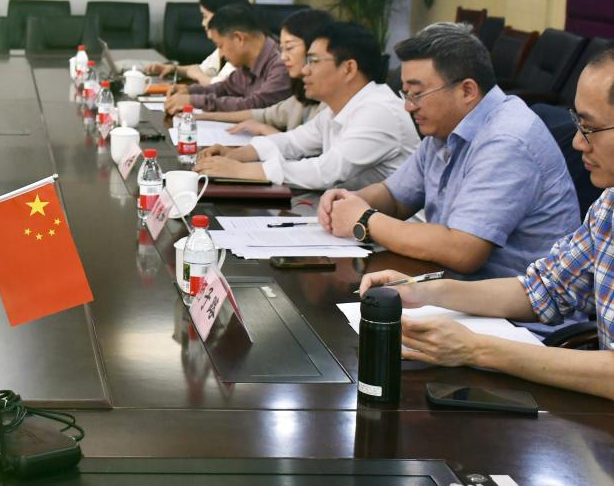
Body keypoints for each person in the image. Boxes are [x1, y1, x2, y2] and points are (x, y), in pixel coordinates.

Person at [355, 48, 614, 401]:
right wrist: (423, 291)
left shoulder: (510, 136)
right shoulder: (608, 206)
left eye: (590, 128)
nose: (577, 142)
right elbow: (543, 289)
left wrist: (475, 349)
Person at [320, 22, 578, 278]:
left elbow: (463, 251)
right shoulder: (444, 127)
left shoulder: (507, 140)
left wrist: (365, 219)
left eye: (417, 94)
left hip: (517, 300)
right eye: (406, 93)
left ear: (467, 90)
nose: (408, 106)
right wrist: (348, 202)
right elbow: (395, 197)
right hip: (453, 286)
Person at [196, 22, 419, 190]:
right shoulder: (336, 109)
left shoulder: (379, 111)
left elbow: (326, 171)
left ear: (349, 68)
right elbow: (293, 142)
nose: (304, 70)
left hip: (393, 231)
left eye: (313, 61)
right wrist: (236, 155)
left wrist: (243, 170)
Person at [195, 8, 333, 135]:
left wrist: (264, 129)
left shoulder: (330, 104)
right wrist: (204, 116)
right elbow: (263, 114)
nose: (283, 57)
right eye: (283, 48)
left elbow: (305, 149)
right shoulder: (300, 95)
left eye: (289, 48)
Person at [164, 4, 290, 114]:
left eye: (220, 46)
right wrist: (189, 91)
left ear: (239, 38)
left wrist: (193, 101)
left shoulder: (282, 63)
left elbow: (255, 106)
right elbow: (225, 88)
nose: (221, 55)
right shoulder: (248, 64)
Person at [146, 0, 250, 85]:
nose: (203, 23)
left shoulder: (242, 51)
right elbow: (202, 69)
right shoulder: (225, 45)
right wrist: (173, 69)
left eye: (205, 16)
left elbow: (221, 87)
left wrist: (198, 76)